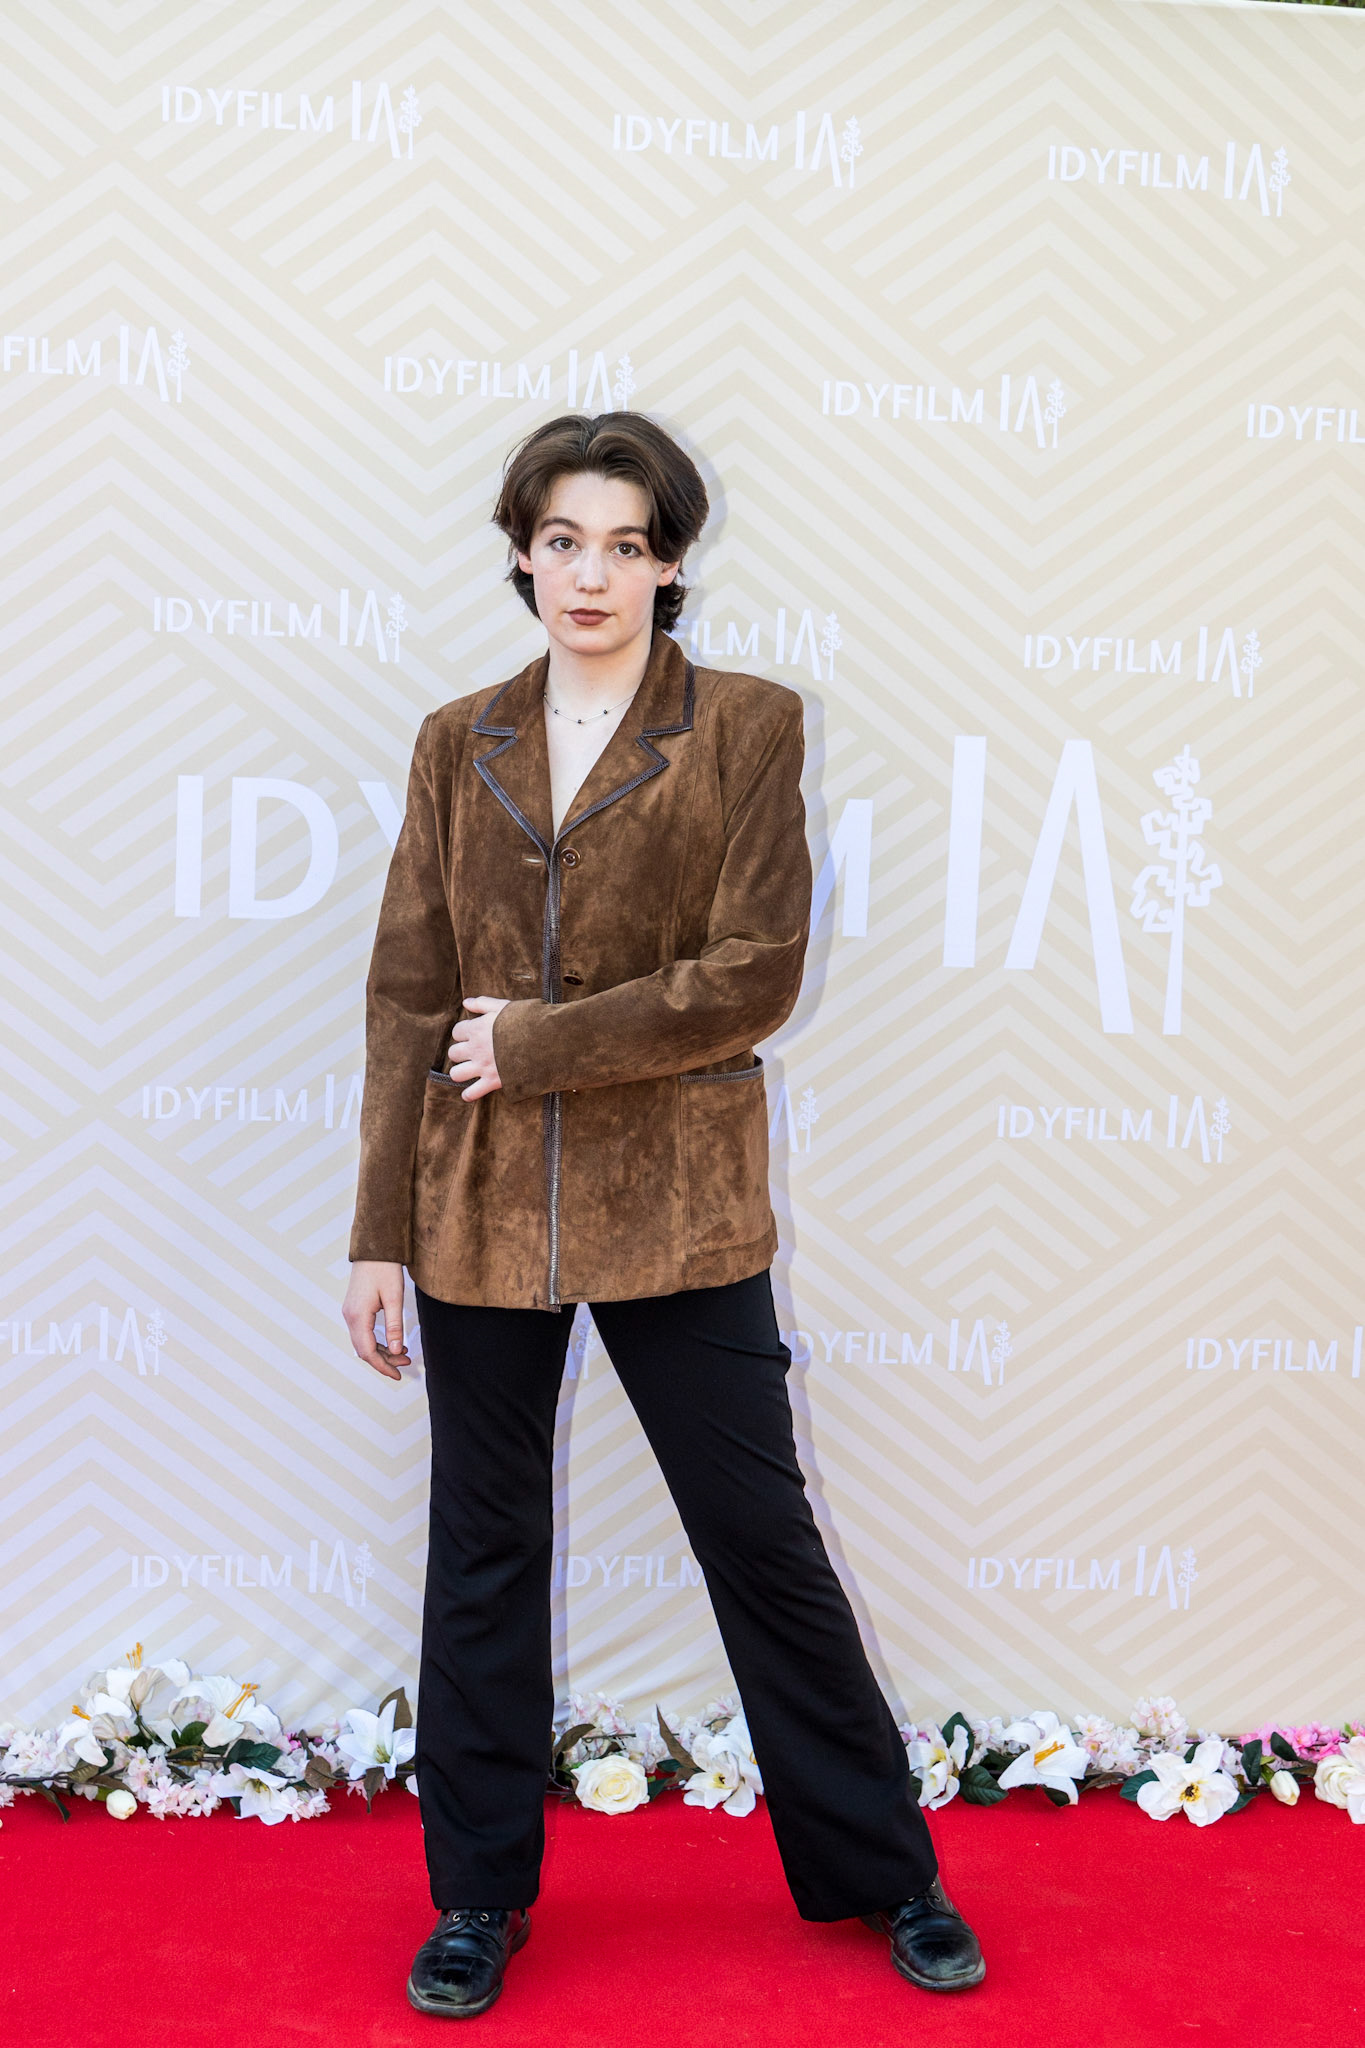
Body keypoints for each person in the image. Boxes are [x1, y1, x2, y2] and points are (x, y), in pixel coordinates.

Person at [342, 412, 985, 2018]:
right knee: (481, 1554)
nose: (591, 574)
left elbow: (752, 974)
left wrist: (539, 1044)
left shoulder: (746, 726)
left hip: (682, 1210)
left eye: (625, 545)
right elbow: (408, 993)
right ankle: (476, 1898)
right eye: (563, 540)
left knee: (760, 1540)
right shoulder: (456, 740)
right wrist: (376, 1232)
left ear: (671, 564)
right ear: (520, 553)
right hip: (478, 1208)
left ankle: (886, 1875)